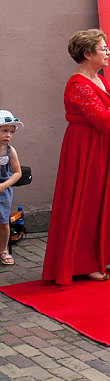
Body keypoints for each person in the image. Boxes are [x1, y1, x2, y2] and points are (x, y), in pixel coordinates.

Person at [42, 29, 110, 283]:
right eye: (103, 48)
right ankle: (85, 263)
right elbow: (103, 118)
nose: (108, 52)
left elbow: (109, 116)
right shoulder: (77, 84)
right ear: (87, 54)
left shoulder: (99, 79)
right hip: (86, 148)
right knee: (88, 203)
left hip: (106, 144)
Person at [0, 111, 23, 266]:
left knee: (3, 222)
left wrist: (4, 185)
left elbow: (17, 172)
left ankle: (3, 250)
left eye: (11, 132)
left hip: (3, 190)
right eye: (4, 131)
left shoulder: (9, 151)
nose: (8, 135)